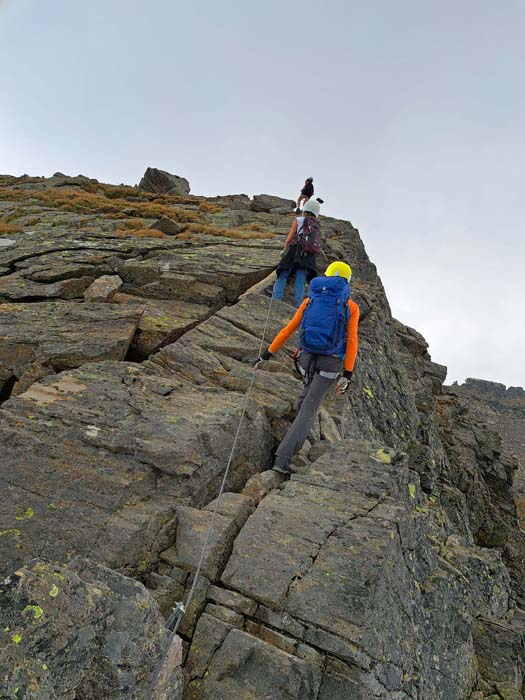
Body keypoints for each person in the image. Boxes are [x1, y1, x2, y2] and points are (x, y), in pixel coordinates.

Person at [256, 261, 359, 476]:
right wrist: (348, 373)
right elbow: (352, 341)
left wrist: (268, 352)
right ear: (346, 281)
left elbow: (288, 329)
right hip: (330, 363)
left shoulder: (310, 300)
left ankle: (290, 430)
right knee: (310, 409)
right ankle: (282, 459)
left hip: (306, 359)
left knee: (306, 397)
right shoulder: (350, 306)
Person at [273, 198, 321, 307]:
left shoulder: (299, 220)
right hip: (308, 254)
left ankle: (276, 301)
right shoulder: (317, 224)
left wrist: (285, 248)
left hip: (295, 249)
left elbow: (290, 238)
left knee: (283, 272)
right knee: (301, 276)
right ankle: (297, 305)